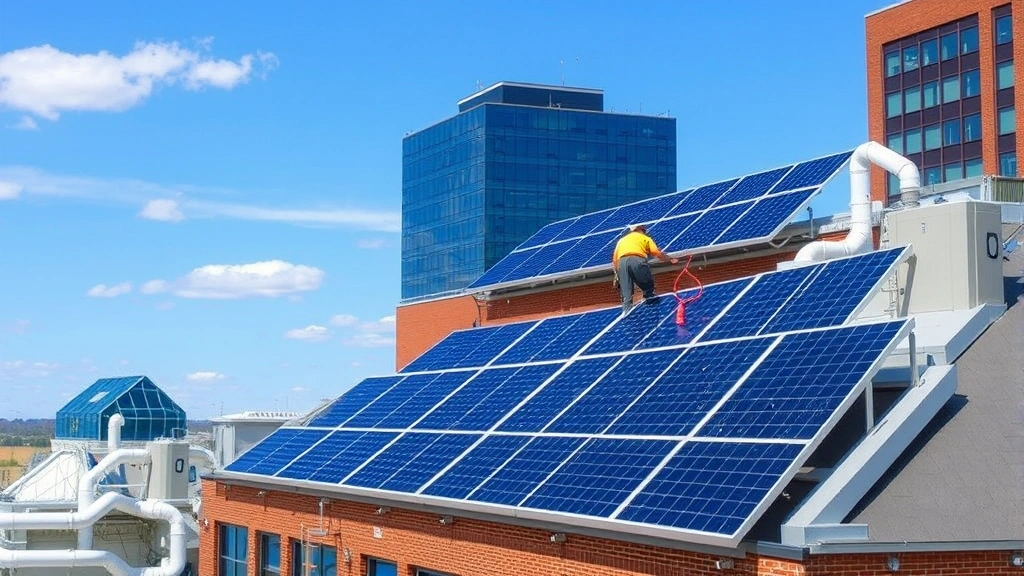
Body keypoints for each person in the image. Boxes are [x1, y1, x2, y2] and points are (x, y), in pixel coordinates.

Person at [612, 223, 678, 314]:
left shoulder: (621, 240)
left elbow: (615, 259)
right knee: (647, 286)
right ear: (641, 229)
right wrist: (670, 259)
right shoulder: (645, 238)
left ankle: (626, 312)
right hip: (636, 260)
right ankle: (651, 304)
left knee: (626, 294)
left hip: (621, 263)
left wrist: (617, 274)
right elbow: (655, 252)